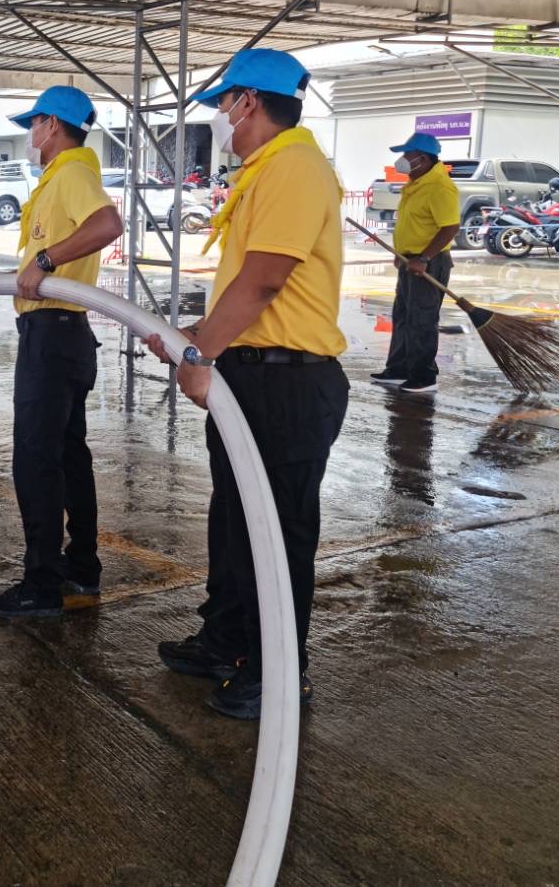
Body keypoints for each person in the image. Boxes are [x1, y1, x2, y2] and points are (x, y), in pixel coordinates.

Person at [144, 48, 348, 720]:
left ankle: (280, 674)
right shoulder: (268, 169)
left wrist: (198, 352)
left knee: (276, 533)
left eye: (224, 105)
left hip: (288, 386)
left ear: (249, 102)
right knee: (235, 522)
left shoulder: (293, 166)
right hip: (254, 375)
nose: (221, 119)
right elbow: (246, 290)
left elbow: (264, 282)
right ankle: (226, 641)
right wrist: (196, 337)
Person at [0, 85, 122, 619]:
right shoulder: (60, 178)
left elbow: (108, 225)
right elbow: (28, 275)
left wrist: (44, 259)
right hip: (65, 333)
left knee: (37, 460)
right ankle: (81, 566)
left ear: (53, 125)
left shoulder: (72, 174)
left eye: (34, 124)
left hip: (54, 336)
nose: (30, 134)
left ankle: (41, 585)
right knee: (68, 455)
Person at [370, 132, 459, 394]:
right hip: (410, 260)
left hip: (429, 262)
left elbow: (450, 227)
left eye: (408, 155)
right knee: (403, 316)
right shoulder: (417, 183)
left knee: (422, 319)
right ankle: (398, 370)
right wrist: (403, 254)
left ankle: (424, 377)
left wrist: (424, 258)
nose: (403, 159)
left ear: (424, 159)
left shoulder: (439, 187)